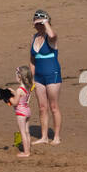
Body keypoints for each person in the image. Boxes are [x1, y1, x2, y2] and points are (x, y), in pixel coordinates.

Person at [28, 9, 62, 144]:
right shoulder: (34, 37)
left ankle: (57, 137)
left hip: (52, 75)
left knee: (53, 106)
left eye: (41, 23)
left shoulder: (51, 38)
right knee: (42, 107)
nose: (39, 26)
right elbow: (32, 59)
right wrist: (32, 78)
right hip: (39, 77)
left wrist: (46, 22)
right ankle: (44, 137)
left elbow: (52, 34)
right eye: (37, 23)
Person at [9, 65, 33, 158]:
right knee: (27, 131)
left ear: (19, 76)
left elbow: (15, 103)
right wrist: (13, 92)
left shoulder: (19, 90)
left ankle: (26, 152)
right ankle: (28, 149)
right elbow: (22, 97)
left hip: (21, 113)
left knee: (22, 132)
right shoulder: (28, 87)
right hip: (27, 111)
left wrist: (9, 98)